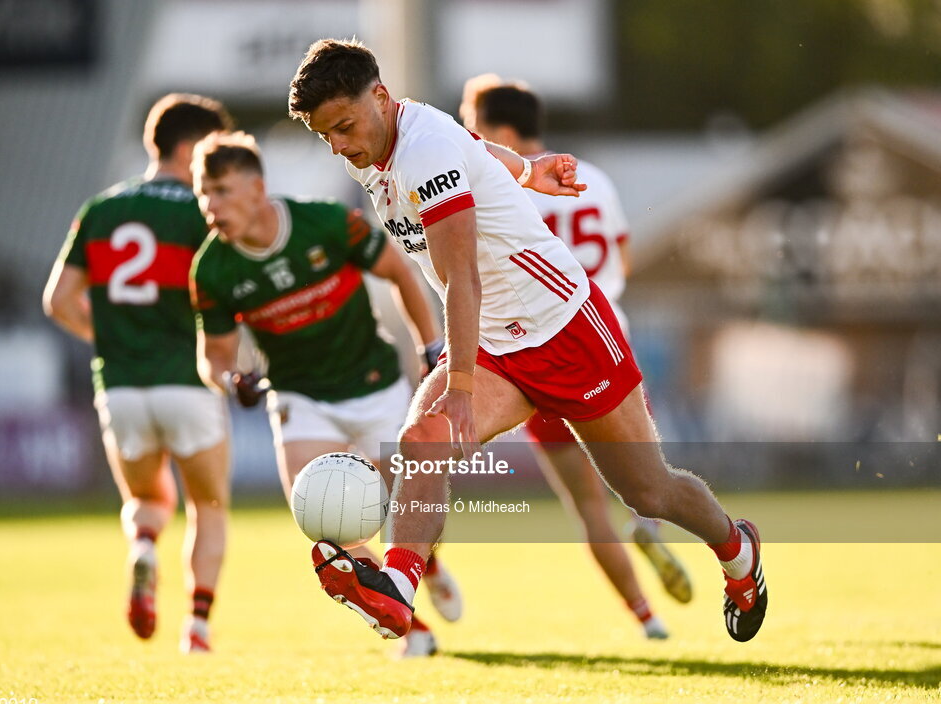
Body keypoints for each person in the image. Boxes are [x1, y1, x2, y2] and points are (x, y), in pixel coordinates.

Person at [287, 38, 769, 645]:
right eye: (326, 135)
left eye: (344, 127)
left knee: (649, 490)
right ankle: (399, 590)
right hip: (497, 344)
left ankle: (736, 548)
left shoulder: (424, 152)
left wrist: (458, 386)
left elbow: (461, 278)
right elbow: (476, 146)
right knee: (424, 438)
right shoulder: (383, 141)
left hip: (566, 329)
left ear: (379, 97)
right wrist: (526, 170)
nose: (339, 145)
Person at [189, 130, 463, 657]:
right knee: (324, 519)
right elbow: (214, 356)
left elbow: (399, 275)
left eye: (221, 190)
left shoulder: (326, 221)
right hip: (299, 397)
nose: (211, 205)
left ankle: (428, 564)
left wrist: (431, 345)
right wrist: (228, 381)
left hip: (374, 384)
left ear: (256, 187)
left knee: (409, 507)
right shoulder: (213, 268)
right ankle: (408, 618)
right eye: (204, 194)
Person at [460, 76, 694, 638]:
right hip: (606, 341)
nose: (467, 136)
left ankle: (647, 620)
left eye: (474, 124)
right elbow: (624, 259)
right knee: (646, 479)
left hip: (532, 352)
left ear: (506, 133)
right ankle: (649, 522)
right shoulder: (594, 178)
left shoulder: (495, 181)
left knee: (587, 504)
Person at [43, 93, 234, 653]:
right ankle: (196, 627)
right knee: (209, 506)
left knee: (148, 503)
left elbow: (58, 300)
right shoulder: (203, 213)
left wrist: (111, 339)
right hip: (188, 383)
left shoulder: (101, 208)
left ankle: (144, 550)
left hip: (121, 388)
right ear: (190, 147)